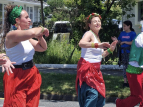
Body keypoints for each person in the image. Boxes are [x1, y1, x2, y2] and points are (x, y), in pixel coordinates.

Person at [1, 4, 49, 107]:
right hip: (16, 76)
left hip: (31, 73)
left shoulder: (26, 37)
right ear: (17, 20)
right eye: (26, 17)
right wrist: (41, 28)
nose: (30, 20)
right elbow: (32, 32)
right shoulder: (11, 35)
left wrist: (40, 37)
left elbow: (42, 48)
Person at [75, 13, 118, 107]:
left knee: (100, 97)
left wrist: (111, 49)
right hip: (87, 69)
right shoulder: (89, 33)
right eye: (95, 21)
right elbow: (81, 43)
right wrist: (98, 45)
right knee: (93, 95)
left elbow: (101, 55)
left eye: (99, 21)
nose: (97, 23)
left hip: (96, 70)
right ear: (89, 24)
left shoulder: (97, 37)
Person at [116, 20, 143, 107]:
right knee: (137, 97)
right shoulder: (141, 37)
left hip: (139, 70)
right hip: (134, 71)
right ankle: (119, 104)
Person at [111, 20, 136, 88]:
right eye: (123, 26)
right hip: (123, 53)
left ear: (129, 26)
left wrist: (124, 42)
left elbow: (133, 43)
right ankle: (125, 82)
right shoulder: (122, 33)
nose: (123, 27)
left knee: (130, 67)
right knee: (124, 67)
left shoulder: (133, 33)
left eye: (125, 26)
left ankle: (131, 81)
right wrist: (116, 40)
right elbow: (119, 42)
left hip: (130, 53)